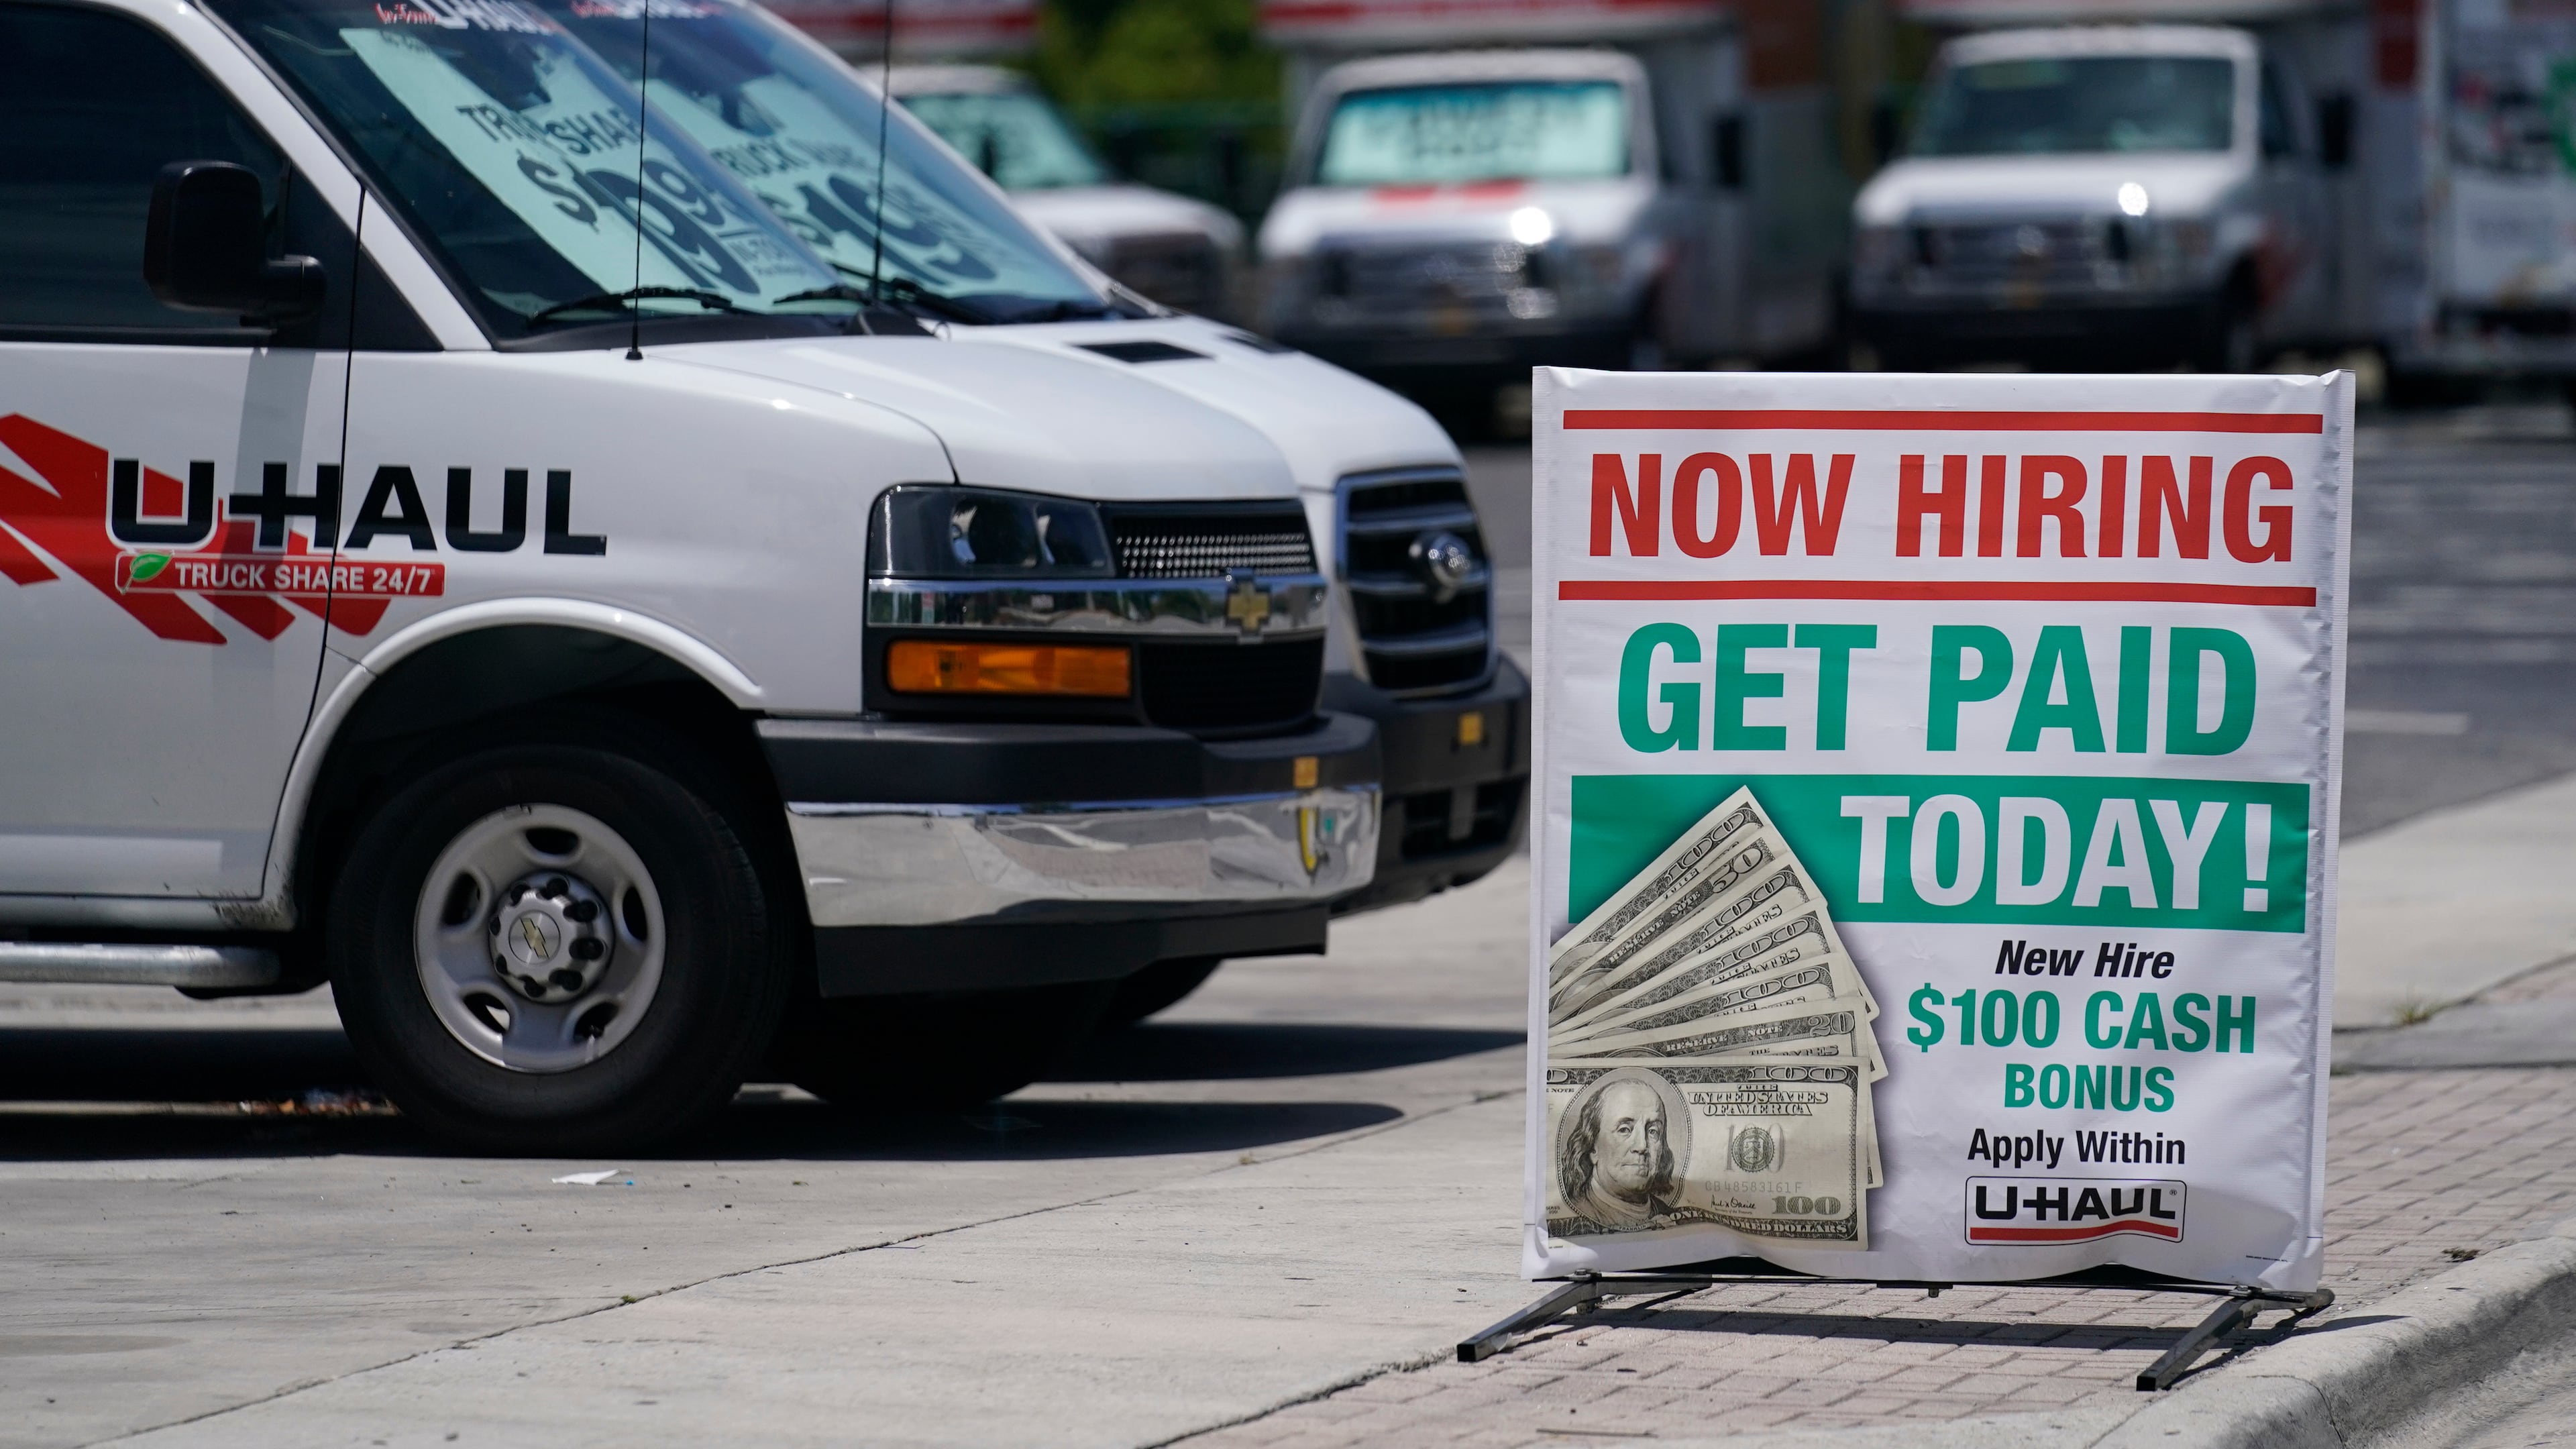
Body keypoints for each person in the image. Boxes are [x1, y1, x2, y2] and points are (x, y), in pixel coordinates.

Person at [1558, 1072, 1684, 1232]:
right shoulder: (1572, 1213)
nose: (1642, 1146)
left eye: (1653, 1131)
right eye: (1624, 1130)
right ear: (1593, 1146)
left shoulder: (1675, 1220)